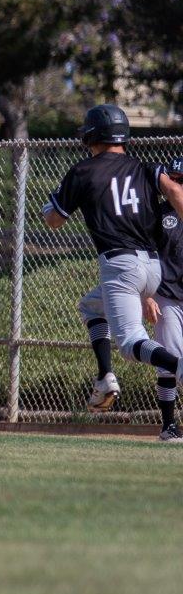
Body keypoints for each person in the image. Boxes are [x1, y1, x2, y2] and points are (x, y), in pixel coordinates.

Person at [45, 104, 183, 441]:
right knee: (92, 306)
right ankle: (105, 376)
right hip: (153, 267)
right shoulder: (142, 167)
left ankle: (179, 366)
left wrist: (52, 207)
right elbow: (175, 190)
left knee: (131, 342)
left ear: (92, 135)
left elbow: (54, 220)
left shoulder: (84, 171)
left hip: (120, 265)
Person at [80, 156, 183, 442]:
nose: (176, 184)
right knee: (172, 359)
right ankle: (168, 426)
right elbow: (143, 261)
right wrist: (146, 295)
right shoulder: (160, 215)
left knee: (168, 359)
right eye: (173, 179)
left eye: (180, 180)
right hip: (167, 295)